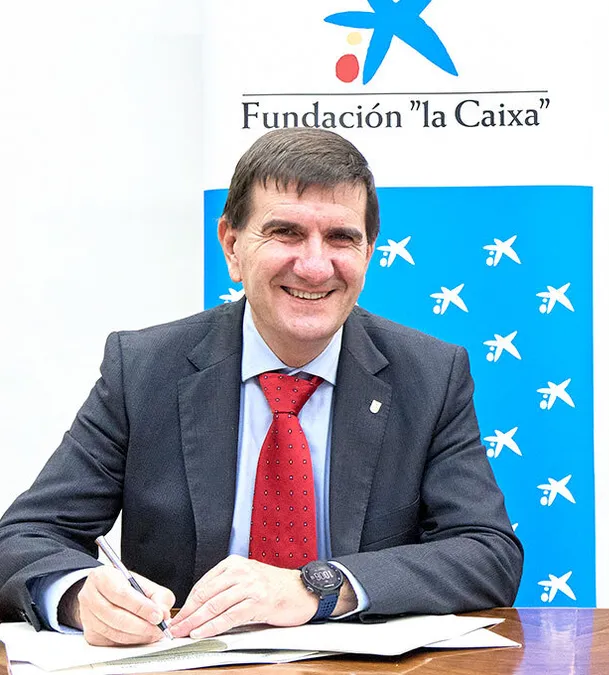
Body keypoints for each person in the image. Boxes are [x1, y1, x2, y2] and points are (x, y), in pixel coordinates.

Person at [0, 128, 522, 646]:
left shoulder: (429, 374)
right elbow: (23, 537)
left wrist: (321, 587)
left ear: (368, 254)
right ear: (232, 246)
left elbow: (487, 553)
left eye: (341, 238)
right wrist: (79, 596)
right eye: (286, 233)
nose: (314, 266)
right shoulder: (143, 369)